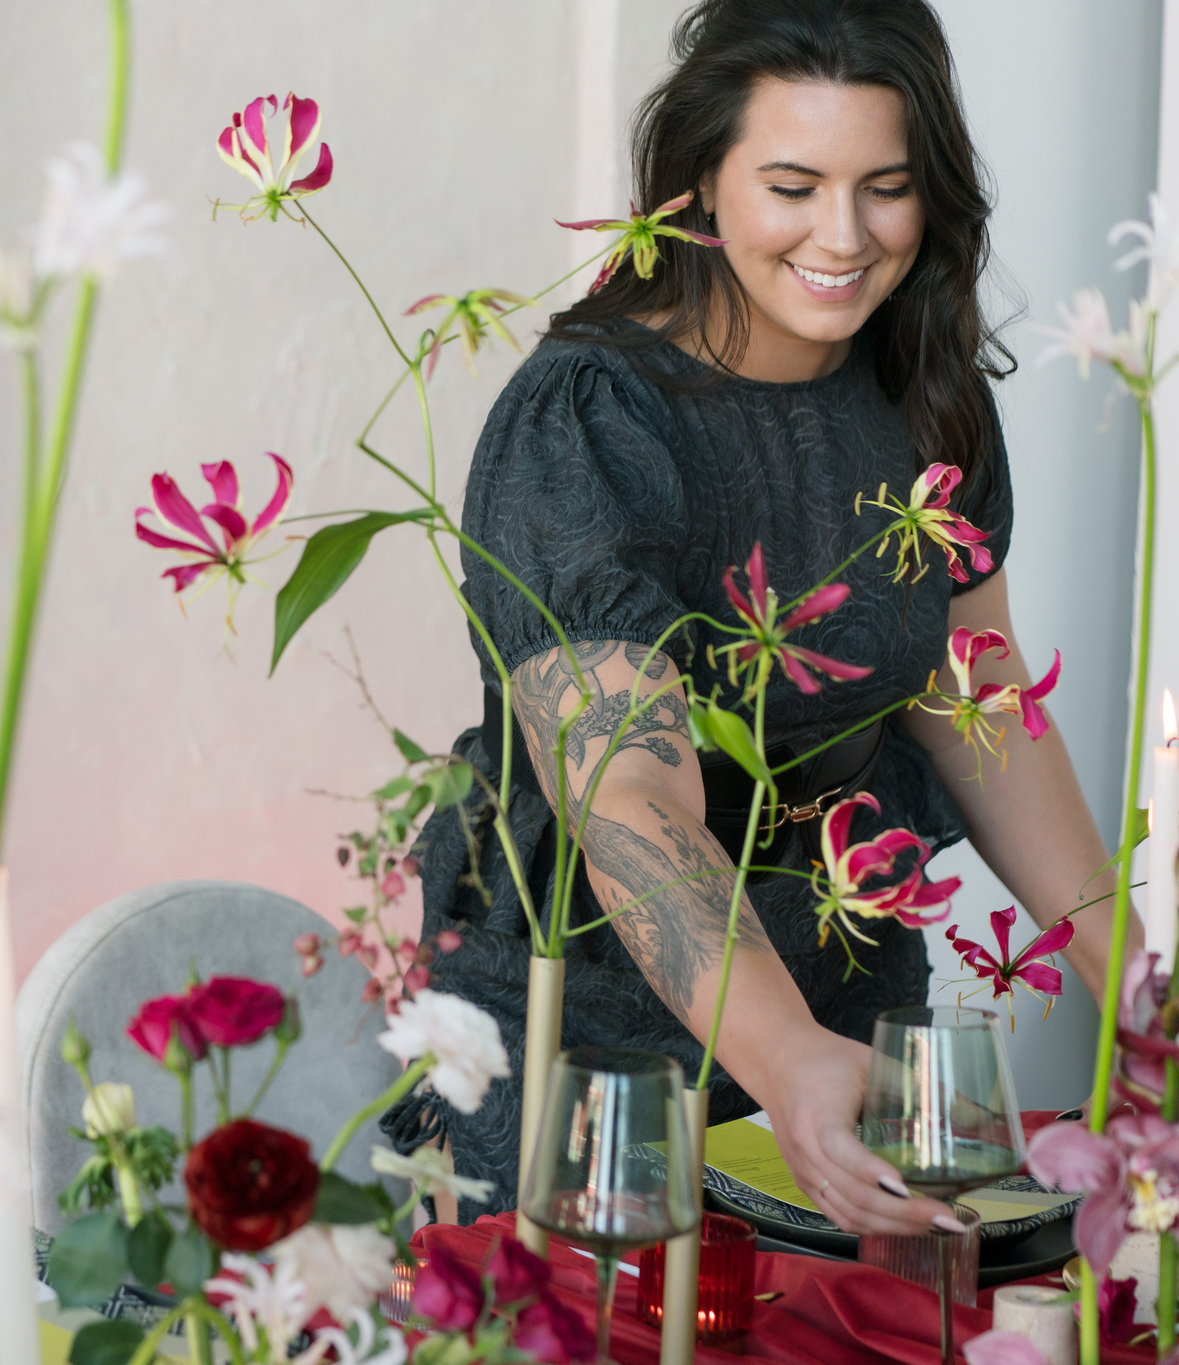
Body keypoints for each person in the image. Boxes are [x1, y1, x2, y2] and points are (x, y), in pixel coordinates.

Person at [384, 0, 1132, 1236]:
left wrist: (1136, 986)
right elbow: (627, 794)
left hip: (847, 1009)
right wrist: (779, 1055)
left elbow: (970, 700)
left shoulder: (923, 390)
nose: (841, 236)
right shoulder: (586, 421)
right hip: (598, 1059)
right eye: (791, 184)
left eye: (884, 188)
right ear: (696, 187)